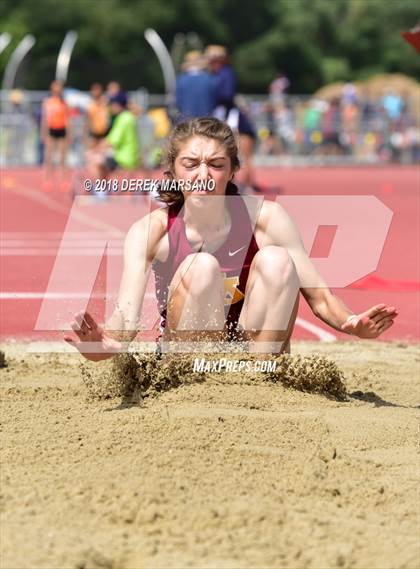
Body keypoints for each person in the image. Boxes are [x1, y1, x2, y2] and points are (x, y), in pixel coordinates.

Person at [64, 117, 397, 361]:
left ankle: (263, 373)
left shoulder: (267, 219)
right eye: (191, 164)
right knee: (202, 265)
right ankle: (197, 379)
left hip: (249, 356)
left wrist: (352, 323)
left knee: (277, 260)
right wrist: (103, 345)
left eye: (216, 165)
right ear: (174, 171)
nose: (203, 175)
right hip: (189, 357)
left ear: (233, 170)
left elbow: (319, 297)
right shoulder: (151, 231)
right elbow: (127, 318)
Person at [85, 91, 139, 183]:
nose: (110, 107)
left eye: (112, 104)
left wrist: (94, 150)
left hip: (124, 158)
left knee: (93, 160)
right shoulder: (128, 117)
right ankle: (103, 189)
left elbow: (111, 141)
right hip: (128, 155)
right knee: (102, 160)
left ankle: (100, 192)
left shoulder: (123, 119)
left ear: (118, 105)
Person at [41, 80, 71, 191]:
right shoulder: (48, 102)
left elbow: (68, 120)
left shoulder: (64, 103)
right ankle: (47, 180)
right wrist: (43, 133)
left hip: (62, 130)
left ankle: (64, 180)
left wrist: (69, 134)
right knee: (49, 157)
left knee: (63, 158)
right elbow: (44, 119)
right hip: (51, 130)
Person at [175, 50, 215, 120]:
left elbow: (178, 102)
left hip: (185, 119)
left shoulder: (180, 80)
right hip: (206, 120)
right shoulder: (209, 79)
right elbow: (213, 101)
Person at [84, 82, 110, 147]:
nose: (96, 92)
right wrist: (85, 137)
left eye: (98, 90)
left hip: (105, 133)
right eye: (94, 90)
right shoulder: (90, 104)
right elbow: (87, 120)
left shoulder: (106, 102)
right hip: (93, 133)